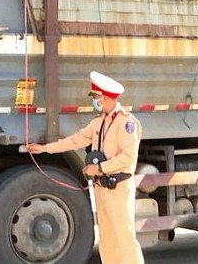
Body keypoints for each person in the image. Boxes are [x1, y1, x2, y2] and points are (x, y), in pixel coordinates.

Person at [27, 72, 144, 264]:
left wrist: (99, 169)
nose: (95, 102)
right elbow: (75, 140)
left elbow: (128, 157)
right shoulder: (99, 122)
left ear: (105, 98)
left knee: (124, 238)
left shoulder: (126, 123)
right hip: (101, 187)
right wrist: (45, 149)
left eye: (96, 98)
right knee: (106, 240)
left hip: (119, 187)